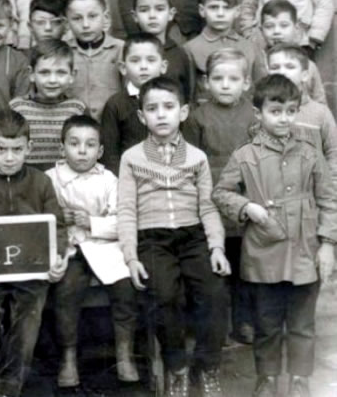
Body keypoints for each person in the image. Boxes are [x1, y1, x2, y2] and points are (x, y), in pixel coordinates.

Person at [213, 74, 337, 397]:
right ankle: (266, 379)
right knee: (267, 325)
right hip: (263, 253)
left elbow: (330, 199)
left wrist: (327, 244)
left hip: (305, 251)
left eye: (291, 111)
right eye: (275, 111)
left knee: (302, 325)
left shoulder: (310, 153)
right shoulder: (245, 156)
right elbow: (221, 193)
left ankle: (300, 379)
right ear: (259, 113)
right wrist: (246, 207)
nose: (284, 118)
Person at [117, 76, 230, 396]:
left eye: (169, 107)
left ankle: (208, 367)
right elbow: (126, 210)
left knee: (214, 292)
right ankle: (177, 365)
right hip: (152, 239)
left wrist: (216, 247)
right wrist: (131, 255)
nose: (161, 114)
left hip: (193, 236)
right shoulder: (131, 159)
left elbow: (208, 208)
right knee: (163, 294)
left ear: (183, 112)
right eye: (152, 109)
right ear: (142, 117)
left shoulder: (197, 158)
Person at [0, 109, 68, 397]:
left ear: (28, 148)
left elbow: (58, 226)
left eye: (17, 150)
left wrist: (58, 258)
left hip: (32, 271)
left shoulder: (41, 182)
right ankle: (0, 380)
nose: (9, 157)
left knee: (28, 317)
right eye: (1, 150)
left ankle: (3, 389)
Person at [46, 115, 139, 387]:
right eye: (74, 144)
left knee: (125, 288)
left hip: (106, 248)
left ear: (100, 151)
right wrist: (59, 216)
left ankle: (124, 354)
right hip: (71, 249)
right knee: (66, 292)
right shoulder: (51, 179)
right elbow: (42, 219)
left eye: (89, 145)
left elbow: (123, 220)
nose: (82, 151)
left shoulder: (109, 179)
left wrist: (93, 222)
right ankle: (68, 357)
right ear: (62, 149)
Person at [190, 48, 257, 345]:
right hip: (210, 200)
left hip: (245, 198)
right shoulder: (197, 118)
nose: (225, 84)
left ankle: (243, 320)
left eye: (233, 78)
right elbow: (191, 160)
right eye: (218, 78)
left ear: (246, 82)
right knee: (215, 264)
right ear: (206, 82)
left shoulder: (254, 116)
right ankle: (214, 325)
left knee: (245, 263)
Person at [265, 44, 337, 188]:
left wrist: (330, 187)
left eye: (290, 67)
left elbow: (333, 152)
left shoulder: (320, 113)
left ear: (304, 75)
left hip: (312, 193)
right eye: (275, 68)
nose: (282, 72)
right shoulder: (260, 112)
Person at [183, 0, 263, 104]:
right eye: (214, 7)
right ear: (202, 11)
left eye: (227, 8)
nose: (220, 13)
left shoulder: (250, 47)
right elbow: (189, 95)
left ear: (237, 11)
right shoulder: (191, 49)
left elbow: (261, 89)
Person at [101, 33, 172, 175]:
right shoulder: (116, 104)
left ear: (163, 66)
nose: (143, 67)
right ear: (123, 68)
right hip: (129, 177)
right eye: (135, 61)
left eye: (151, 60)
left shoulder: (172, 101)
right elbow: (110, 154)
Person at [10, 39, 86, 172]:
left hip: (66, 181)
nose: (52, 80)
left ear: (72, 75)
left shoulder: (77, 109)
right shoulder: (17, 108)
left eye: (61, 73)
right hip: (26, 179)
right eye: (44, 72)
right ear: (32, 74)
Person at [129, 0, 196, 103]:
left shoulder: (180, 54)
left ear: (171, 14)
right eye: (144, 10)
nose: (152, 15)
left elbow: (189, 96)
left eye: (159, 9)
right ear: (135, 16)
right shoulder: (129, 52)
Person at [64, 0, 123, 120]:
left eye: (92, 16)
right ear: (67, 23)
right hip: (74, 129)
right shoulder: (63, 53)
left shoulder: (121, 50)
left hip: (114, 126)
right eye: (77, 18)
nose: (85, 25)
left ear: (106, 18)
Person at [259, 0, 326, 104]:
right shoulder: (257, 62)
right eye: (269, 26)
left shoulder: (308, 66)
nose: (277, 31)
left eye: (284, 25)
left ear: (296, 28)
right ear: (261, 30)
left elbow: (320, 102)